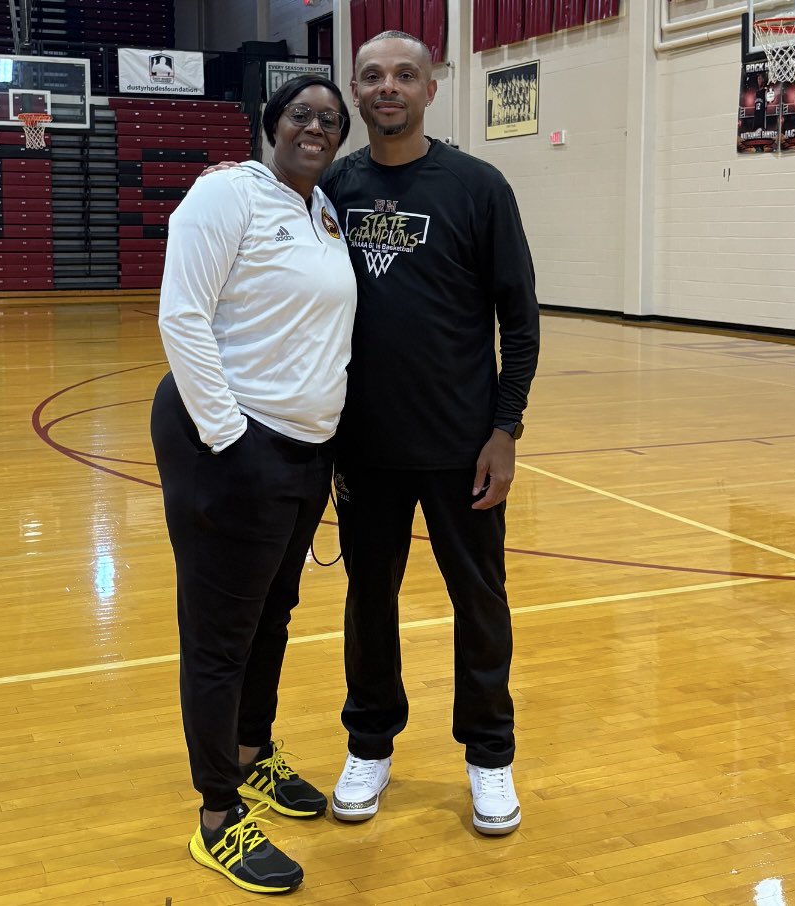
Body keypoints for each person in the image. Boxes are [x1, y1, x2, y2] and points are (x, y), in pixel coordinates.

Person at [321, 31, 539, 836]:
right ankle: (369, 744)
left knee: (479, 603)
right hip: (362, 448)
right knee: (367, 602)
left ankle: (490, 759)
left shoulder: (478, 186)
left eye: (404, 75)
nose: (388, 88)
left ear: (432, 88)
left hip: (460, 447)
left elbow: (519, 320)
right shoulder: (333, 186)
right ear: (356, 88)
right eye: (373, 76)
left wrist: (506, 428)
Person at [150, 74, 355, 895]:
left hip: (306, 452)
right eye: (301, 114)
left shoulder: (325, 211)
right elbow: (182, 316)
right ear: (269, 124)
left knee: (272, 615)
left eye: (329, 121)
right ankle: (216, 815)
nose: (315, 127)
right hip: (230, 445)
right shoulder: (227, 196)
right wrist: (230, 439)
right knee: (219, 634)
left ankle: (249, 752)